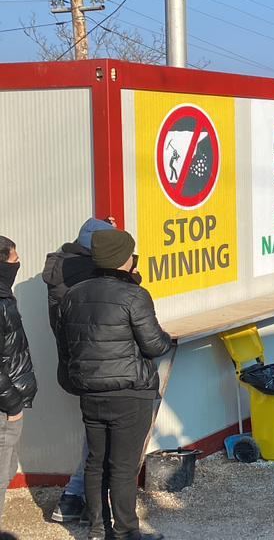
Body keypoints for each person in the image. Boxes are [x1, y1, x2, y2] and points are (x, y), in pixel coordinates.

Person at [59, 229, 170, 540]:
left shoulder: (73, 294)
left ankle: (97, 530)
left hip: (90, 391)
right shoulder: (134, 295)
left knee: (95, 463)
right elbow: (153, 346)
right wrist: (165, 338)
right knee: (122, 466)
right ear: (125, 260)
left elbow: (66, 345)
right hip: (129, 392)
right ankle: (125, 532)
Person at [41, 217, 114, 524]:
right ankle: (77, 498)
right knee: (99, 438)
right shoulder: (88, 274)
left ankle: (78, 498)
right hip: (97, 365)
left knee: (95, 435)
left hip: (74, 365)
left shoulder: (61, 268)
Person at [0, 236, 37, 528]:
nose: (18, 262)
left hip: (8, 399)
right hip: (4, 405)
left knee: (7, 466)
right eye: (14, 259)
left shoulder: (4, 295)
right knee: (1, 471)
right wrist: (12, 403)